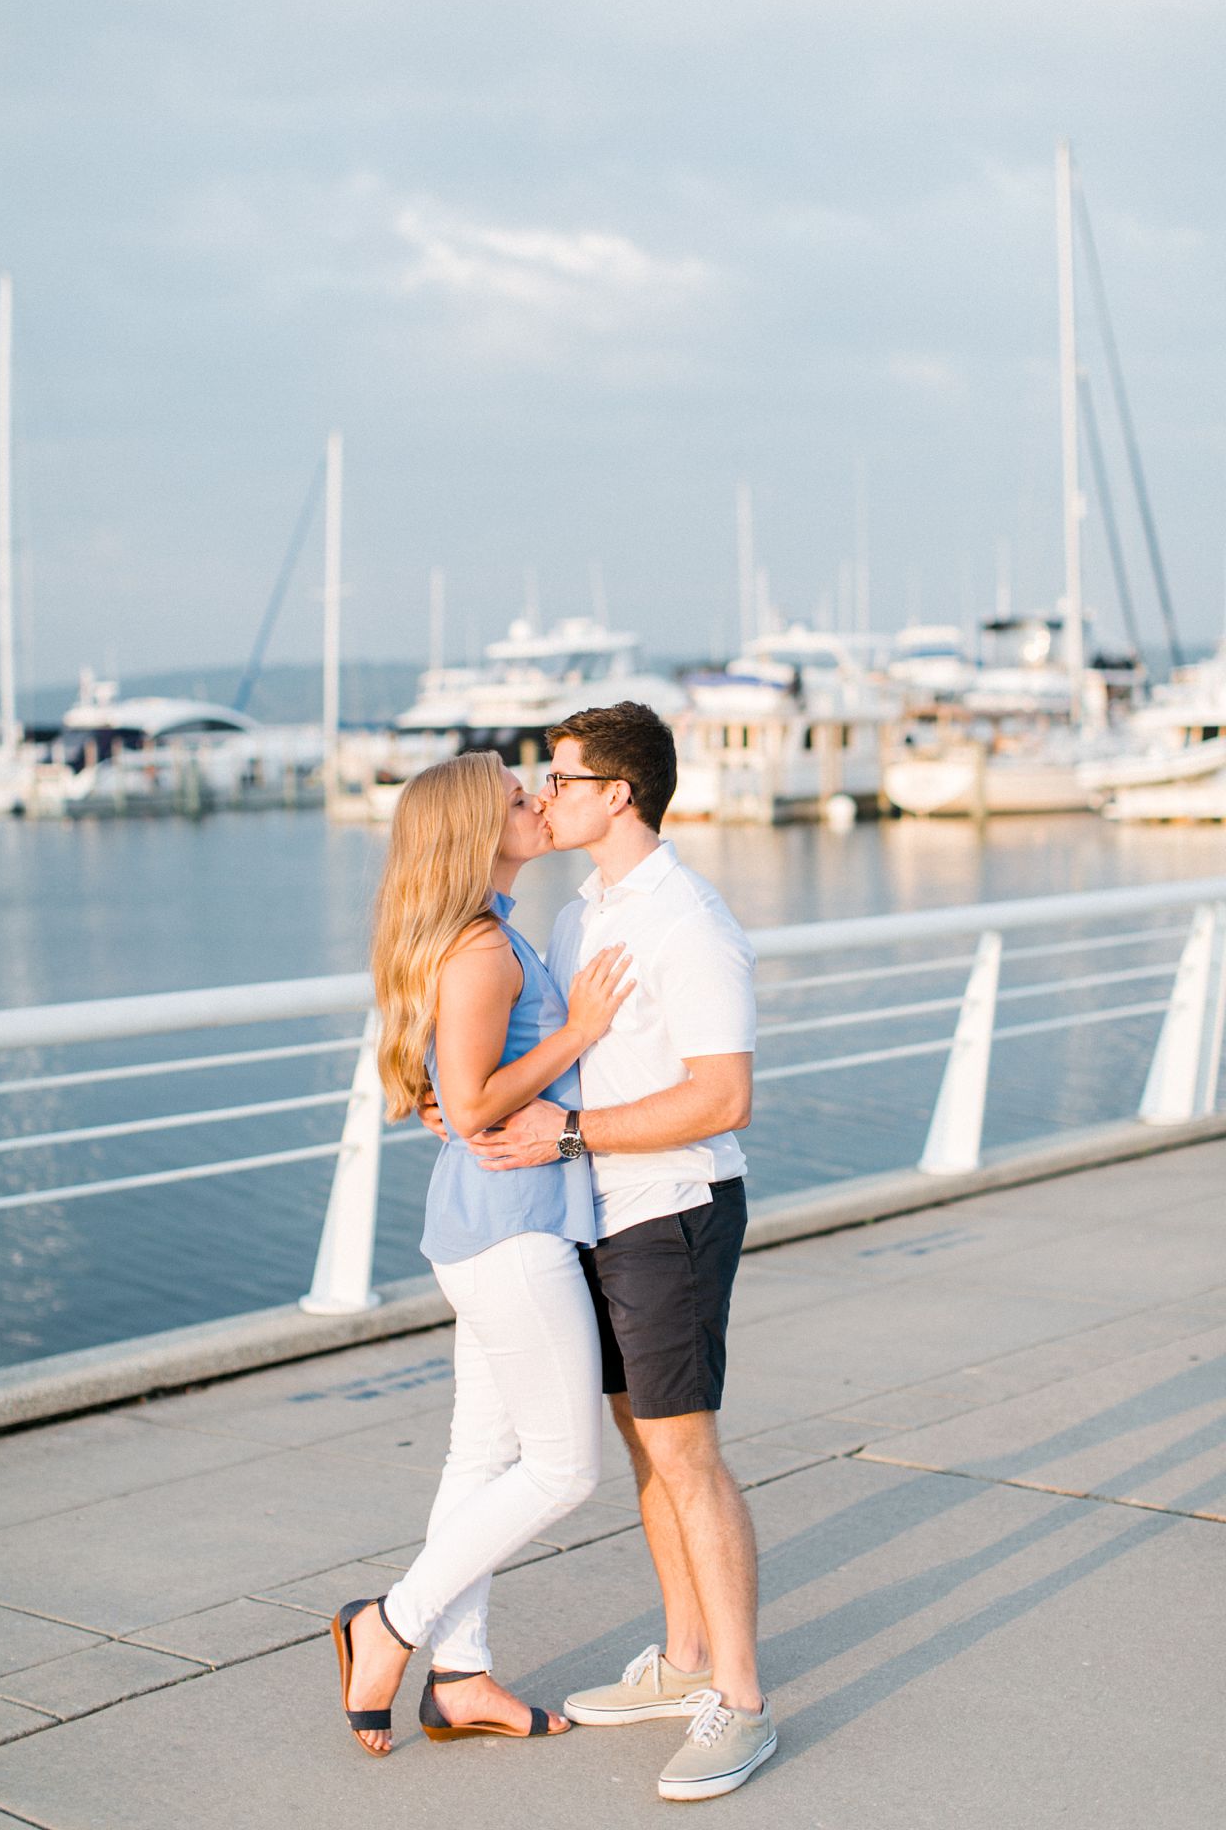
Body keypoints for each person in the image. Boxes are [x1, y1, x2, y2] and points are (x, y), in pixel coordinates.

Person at [466, 701, 775, 1803]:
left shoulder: (685, 920)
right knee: (646, 1448)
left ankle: (736, 1701)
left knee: (686, 1454)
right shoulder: (579, 915)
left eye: (560, 778)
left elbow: (721, 1093)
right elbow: (551, 1060)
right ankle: (682, 1656)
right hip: (597, 1212)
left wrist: (575, 1132)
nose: (543, 796)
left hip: (671, 1212)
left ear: (618, 796)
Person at [331, 749, 632, 1758]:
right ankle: (394, 1625)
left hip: (489, 1222)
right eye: (516, 799)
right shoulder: (483, 950)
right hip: (511, 1231)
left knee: (482, 1456)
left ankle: (459, 1679)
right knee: (562, 1472)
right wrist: (581, 1029)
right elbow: (469, 1104)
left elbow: (451, 1095)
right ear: (475, 832)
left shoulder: (492, 933)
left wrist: (468, 1095)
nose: (535, 804)